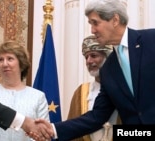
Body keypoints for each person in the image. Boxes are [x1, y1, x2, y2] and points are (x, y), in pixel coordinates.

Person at [32, 0, 155, 140]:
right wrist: (53, 128)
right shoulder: (108, 70)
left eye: (95, 23)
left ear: (115, 20)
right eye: (90, 24)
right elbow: (97, 116)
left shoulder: (151, 40)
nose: (92, 30)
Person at [0, 41, 50, 141]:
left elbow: (43, 133)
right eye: (1, 60)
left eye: (10, 59)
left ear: (21, 63)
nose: (4, 64)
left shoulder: (38, 96)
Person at [67, 35, 118, 141]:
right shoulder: (81, 92)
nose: (88, 61)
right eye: (86, 57)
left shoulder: (125, 89)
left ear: (107, 57)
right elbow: (72, 132)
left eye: (93, 56)